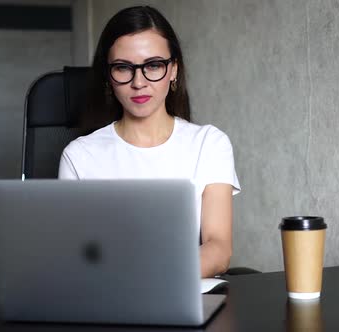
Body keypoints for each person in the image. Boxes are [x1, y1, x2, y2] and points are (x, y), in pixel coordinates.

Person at [58, 6, 240, 278]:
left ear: (173, 70)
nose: (139, 82)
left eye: (153, 65)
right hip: (107, 297)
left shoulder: (209, 144)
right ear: (109, 77)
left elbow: (218, 249)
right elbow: (74, 255)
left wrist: (154, 277)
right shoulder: (79, 156)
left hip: (179, 295)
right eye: (123, 68)